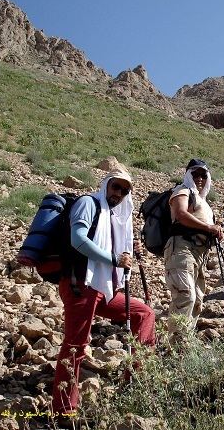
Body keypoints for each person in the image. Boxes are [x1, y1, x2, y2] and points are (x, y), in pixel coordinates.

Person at [52, 168, 156, 418]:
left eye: (125, 190)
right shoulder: (88, 203)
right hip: (81, 285)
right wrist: (114, 259)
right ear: (106, 185)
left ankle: (135, 383)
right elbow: (78, 240)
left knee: (144, 314)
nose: (119, 193)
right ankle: (63, 410)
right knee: (76, 345)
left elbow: (110, 245)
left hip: (103, 288)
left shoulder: (112, 216)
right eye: (116, 187)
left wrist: (129, 248)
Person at [164, 158, 223, 341]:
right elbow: (181, 214)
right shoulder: (182, 191)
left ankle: (183, 342)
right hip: (182, 248)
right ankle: (175, 348)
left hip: (199, 253)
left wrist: (213, 232)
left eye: (203, 175)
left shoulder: (203, 200)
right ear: (188, 174)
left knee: (197, 300)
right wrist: (207, 228)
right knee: (185, 296)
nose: (199, 178)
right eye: (195, 174)